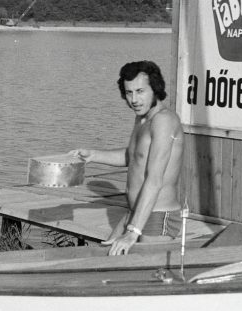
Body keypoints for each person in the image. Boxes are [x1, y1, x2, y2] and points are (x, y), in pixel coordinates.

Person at [70, 60, 184, 255]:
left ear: (155, 88)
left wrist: (133, 232)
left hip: (157, 216)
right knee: (105, 259)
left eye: (140, 91)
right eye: (129, 93)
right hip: (136, 212)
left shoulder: (164, 120)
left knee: (145, 271)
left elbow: (155, 180)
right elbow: (134, 157)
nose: (134, 100)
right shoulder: (142, 118)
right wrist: (93, 155)